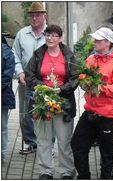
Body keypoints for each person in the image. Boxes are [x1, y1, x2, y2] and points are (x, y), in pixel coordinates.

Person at [70, 27, 113, 179]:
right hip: (90, 111)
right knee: (77, 145)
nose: (94, 42)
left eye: (98, 40)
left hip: (110, 114)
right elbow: (84, 79)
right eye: (94, 39)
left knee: (107, 152)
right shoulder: (90, 59)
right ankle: (84, 176)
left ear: (108, 43)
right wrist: (84, 84)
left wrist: (101, 88)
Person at [25, 24, 78, 179]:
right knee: (43, 140)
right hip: (42, 103)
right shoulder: (38, 54)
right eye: (47, 35)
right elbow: (29, 75)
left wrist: (61, 89)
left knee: (64, 140)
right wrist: (42, 87)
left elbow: (75, 78)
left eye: (54, 35)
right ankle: (45, 171)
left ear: (60, 38)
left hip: (64, 103)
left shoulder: (68, 55)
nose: (50, 38)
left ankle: (66, 171)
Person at [12, 2, 47, 154]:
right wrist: (19, 72)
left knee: (47, 112)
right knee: (26, 113)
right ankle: (31, 143)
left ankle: (47, 145)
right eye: (32, 15)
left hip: (45, 80)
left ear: (44, 16)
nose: (34, 18)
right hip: (25, 79)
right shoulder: (22, 34)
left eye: (38, 15)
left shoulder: (51, 33)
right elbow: (14, 55)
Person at [1, 35, 16, 164]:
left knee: (2, 127)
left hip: (3, 96)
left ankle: (2, 154)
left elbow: (7, 76)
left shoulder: (7, 53)